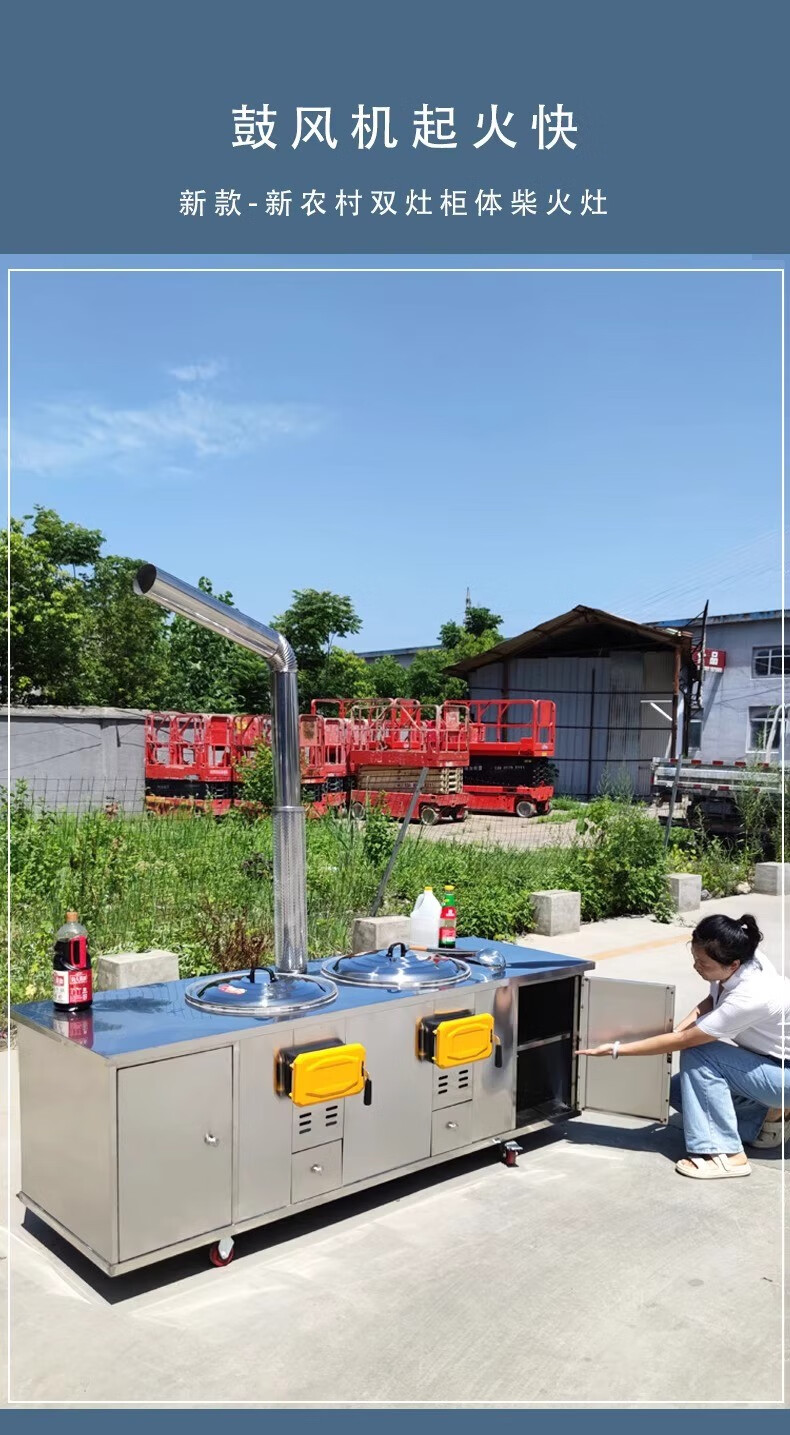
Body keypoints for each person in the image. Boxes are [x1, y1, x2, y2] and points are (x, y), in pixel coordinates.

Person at [579, 913, 788, 1180]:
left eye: (703, 963)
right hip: (772, 1064)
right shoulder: (743, 956)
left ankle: (727, 1155)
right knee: (677, 1093)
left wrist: (616, 1049)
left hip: (784, 1074)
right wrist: (677, 1030)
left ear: (733, 965)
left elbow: (686, 1041)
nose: (696, 967)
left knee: (701, 1053)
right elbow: (712, 1003)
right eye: (695, 958)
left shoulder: (751, 995)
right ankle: (770, 1117)